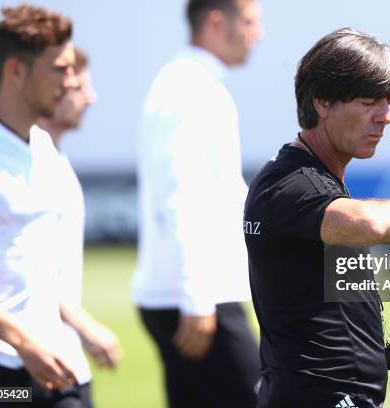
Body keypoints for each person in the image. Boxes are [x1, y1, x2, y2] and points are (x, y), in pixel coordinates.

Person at [244, 28, 390, 408]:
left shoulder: (311, 178)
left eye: (389, 102)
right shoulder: (292, 184)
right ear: (322, 101)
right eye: (369, 101)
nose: (385, 116)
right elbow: (371, 225)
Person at [131, 0, 263, 407]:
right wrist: (196, 297)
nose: (258, 34)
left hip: (191, 294)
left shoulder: (193, 83)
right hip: (197, 300)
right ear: (216, 23)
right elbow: (180, 197)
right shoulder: (190, 89)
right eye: (249, 22)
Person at [0, 5, 91, 407]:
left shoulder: (45, 150)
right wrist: (20, 341)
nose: (71, 83)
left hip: (52, 362)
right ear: (16, 70)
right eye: (60, 69)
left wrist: (78, 325)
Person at [37, 47, 122, 380]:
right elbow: (24, 266)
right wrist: (84, 325)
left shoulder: (57, 161)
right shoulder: (31, 164)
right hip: (29, 366)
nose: (92, 98)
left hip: (61, 359)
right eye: (80, 88)